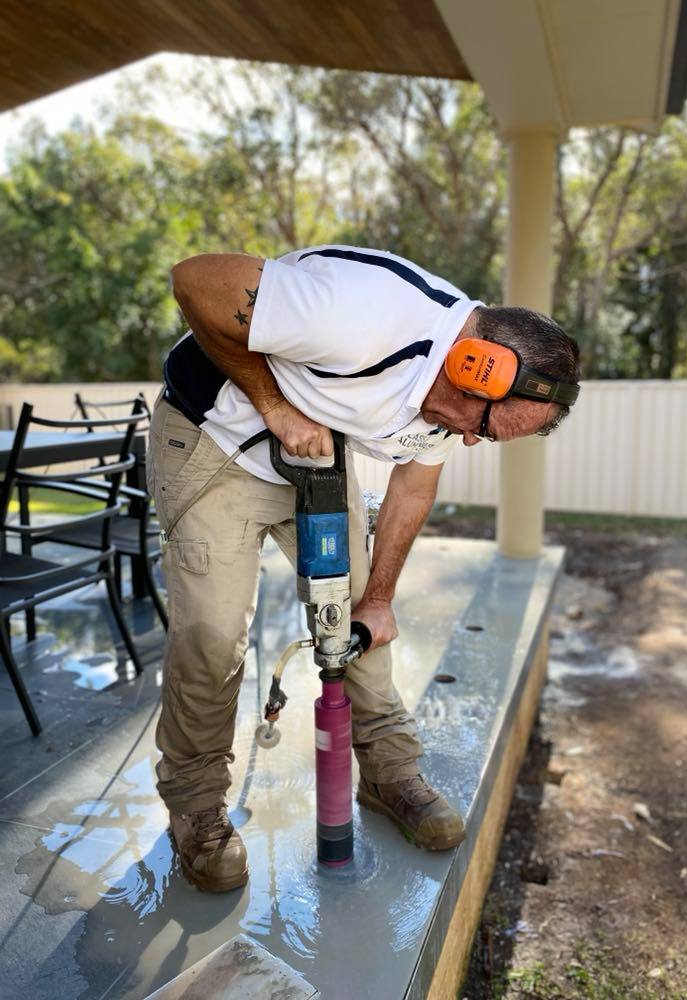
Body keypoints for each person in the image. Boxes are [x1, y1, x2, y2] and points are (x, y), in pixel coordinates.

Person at [146, 244, 580, 893]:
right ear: (473, 365)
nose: (468, 440)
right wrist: (274, 406)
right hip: (215, 441)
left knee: (358, 625)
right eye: (483, 428)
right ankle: (196, 806)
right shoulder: (365, 312)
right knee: (211, 637)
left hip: (316, 459)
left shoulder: (459, 401)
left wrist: (378, 599)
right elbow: (195, 280)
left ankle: (389, 774)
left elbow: (412, 489)